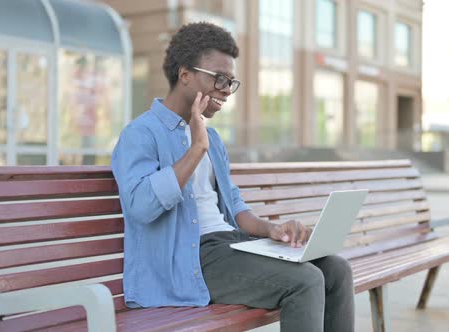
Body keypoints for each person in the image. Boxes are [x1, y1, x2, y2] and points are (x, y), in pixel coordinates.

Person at [111, 22, 354, 332]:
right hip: (190, 261)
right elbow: (140, 207)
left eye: (231, 81)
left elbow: (234, 206)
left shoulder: (212, 138)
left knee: (336, 269)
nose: (226, 89)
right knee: (305, 281)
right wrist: (196, 149)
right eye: (220, 79)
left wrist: (271, 230)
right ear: (185, 74)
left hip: (231, 246)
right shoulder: (141, 134)